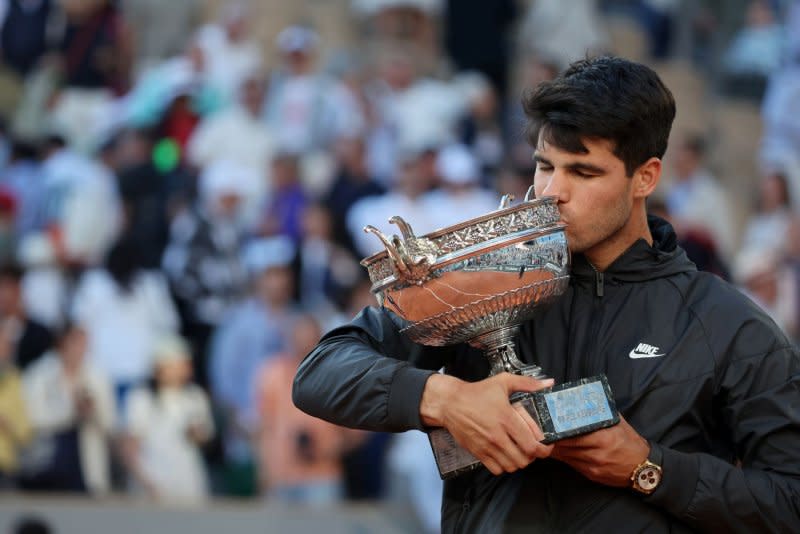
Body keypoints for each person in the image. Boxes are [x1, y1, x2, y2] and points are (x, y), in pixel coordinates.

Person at [293, 56, 800, 532]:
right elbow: (321, 372)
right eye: (544, 165)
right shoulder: (477, 282)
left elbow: (789, 501)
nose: (552, 190)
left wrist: (648, 468)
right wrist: (445, 399)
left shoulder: (724, 324)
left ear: (645, 177)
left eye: (583, 171)